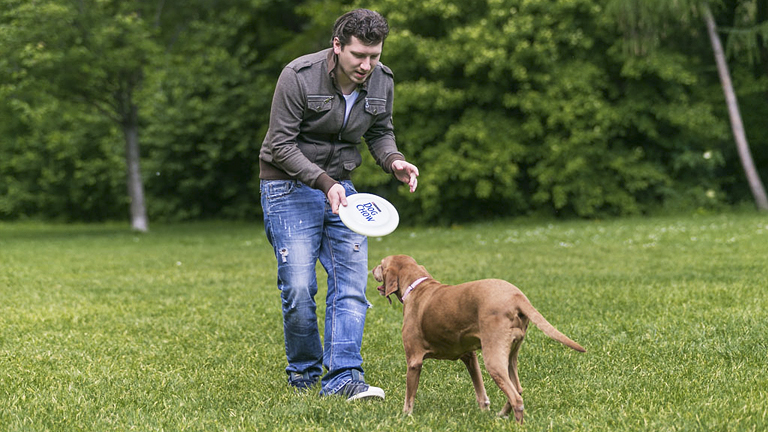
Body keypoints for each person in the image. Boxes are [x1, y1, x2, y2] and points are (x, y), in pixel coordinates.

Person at [258, 9, 419, 400]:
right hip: (287, 186)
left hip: (342, 191)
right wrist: (323, 182)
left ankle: (345, 376)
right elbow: (280, 144)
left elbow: (381, 131)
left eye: (374, 55)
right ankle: (304, 373)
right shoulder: (298, 76)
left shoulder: (383, 80)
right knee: (298, 287)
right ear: (337, 46)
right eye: (358, 55)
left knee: (349, 284)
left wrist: (393, 160)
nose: (367, 65)